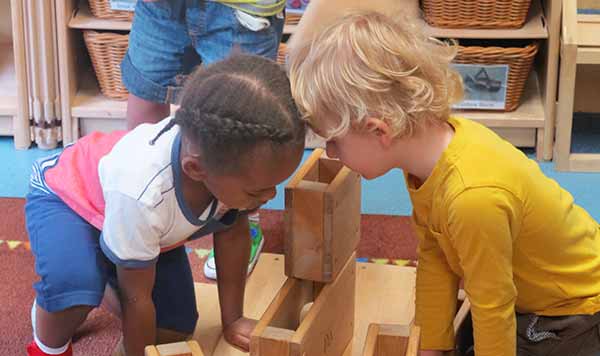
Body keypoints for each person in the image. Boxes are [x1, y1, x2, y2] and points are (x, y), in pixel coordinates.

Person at [288, 11, 600, 356]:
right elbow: (435, 256)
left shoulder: (472, 198)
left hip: (574, 308)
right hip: (525, 289)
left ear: (380, 131)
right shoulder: (427, 158)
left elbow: (492, 303)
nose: (330, 153)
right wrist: (430, 346)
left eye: (334, 140)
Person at [26, 54, 306, 356]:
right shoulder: (146, 193)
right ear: (196, 170)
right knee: (74, 289)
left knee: (174, 328)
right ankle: (49, 343)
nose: (270, 196)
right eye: (257, 191)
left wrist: (233, 319)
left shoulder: (228, 164)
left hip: (136, 223)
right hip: (68, 197)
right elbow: (137, 298)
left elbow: (233, 236)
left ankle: (107, 267)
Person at [121, 0, 287, 280]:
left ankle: (244, 220)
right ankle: (138, 204)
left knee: (243, 108)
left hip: (243, 9)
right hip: (161, 8)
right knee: (146, 90)